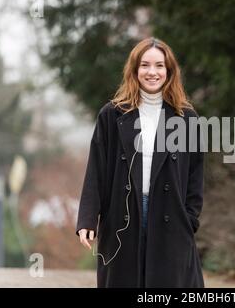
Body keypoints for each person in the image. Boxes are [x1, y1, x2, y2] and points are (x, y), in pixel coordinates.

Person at [76, 37, 204, 288]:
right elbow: (96, 169)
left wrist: (190, 219)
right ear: (135, 70)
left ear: (169, 71)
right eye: (145, 65)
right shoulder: (112, 114)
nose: (152, 72)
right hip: (123, 215)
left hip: (171, 217)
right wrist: (88, 219)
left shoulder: (186, 118)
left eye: (159, 65)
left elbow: (196, 175)